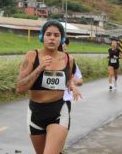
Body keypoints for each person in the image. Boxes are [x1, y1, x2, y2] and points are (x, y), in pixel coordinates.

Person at [16, 20, 82, 154]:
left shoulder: (68, 59)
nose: (52, 38)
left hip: (58, 110)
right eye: (48, 34)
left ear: (61, 39)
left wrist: (72, 85)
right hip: (35, 112)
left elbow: (68, 79)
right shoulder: (32, 56)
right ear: (42, 37)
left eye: (56, 35)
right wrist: (39, 68)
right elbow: (19, 88)